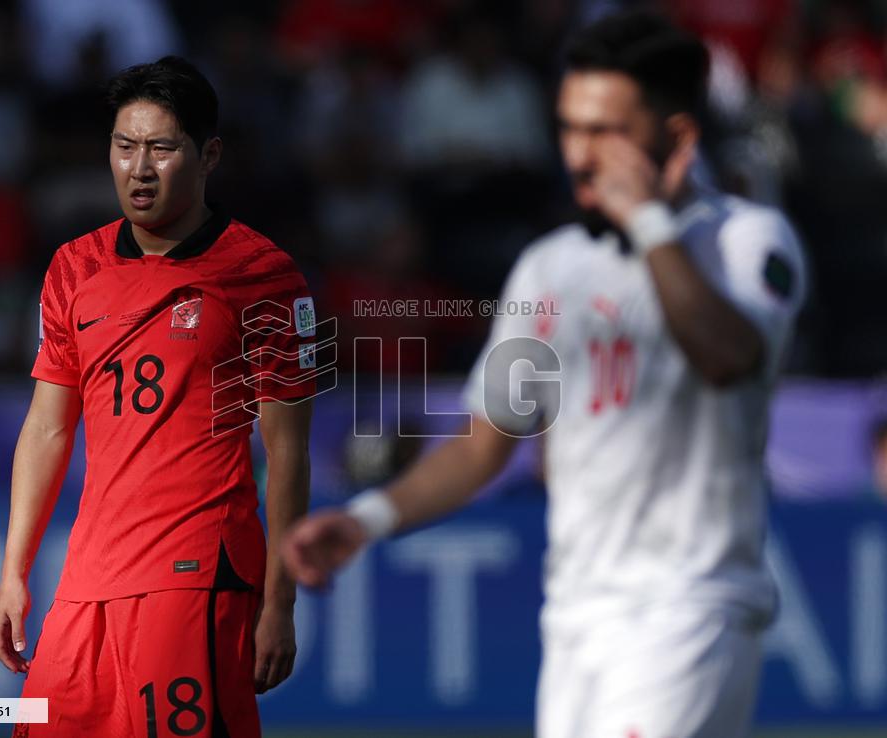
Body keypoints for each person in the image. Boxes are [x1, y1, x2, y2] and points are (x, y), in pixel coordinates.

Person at [282, 11, 806, 738]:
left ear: (677, 139)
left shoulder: (743, 241)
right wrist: (367, 520)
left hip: (689, 609)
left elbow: (726, 358)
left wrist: (649, 221)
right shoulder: (550, 267)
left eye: (608, 133)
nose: (581, 155)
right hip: (575, 622)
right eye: (570, 129)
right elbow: (482, 445)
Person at [0, 56, 316, 738]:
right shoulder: (73, 267)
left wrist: (280, 600)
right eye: (124, 146)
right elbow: (49, 429)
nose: (139, 168)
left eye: (162, 148)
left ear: (209, 155)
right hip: (87, 579)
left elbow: (287, 450)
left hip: (196, 573)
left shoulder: (264, 276)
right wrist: (14, 571)